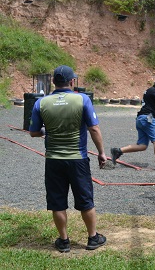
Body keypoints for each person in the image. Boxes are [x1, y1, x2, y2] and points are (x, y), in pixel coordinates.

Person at [29, 65, 107, 252]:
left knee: (57, 201)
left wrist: (46, 131)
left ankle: (64, 241)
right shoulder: (82, 100)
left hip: (53, 159)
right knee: (85, 200)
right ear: (72, 82)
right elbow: (94, 128)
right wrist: (102, 152)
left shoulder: (41, 103)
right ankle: (92, 238)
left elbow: (33, 132)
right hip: (77, 158)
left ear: (53, 82)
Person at [110, 78, 155, 172]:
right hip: (147, 118)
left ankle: (118, 151)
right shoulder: (153, 90)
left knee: (142, 145)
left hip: (142, 119)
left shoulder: (150, 91)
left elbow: (150, 106)